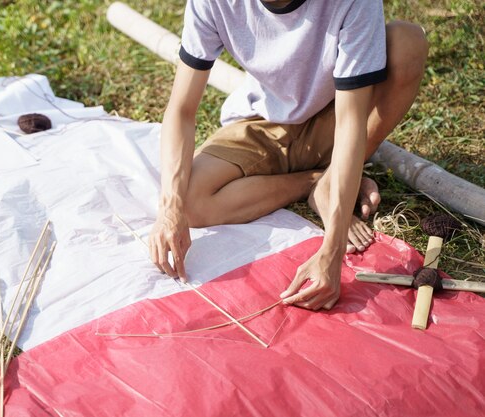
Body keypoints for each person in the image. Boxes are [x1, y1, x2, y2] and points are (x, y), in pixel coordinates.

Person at [149, 0, 428, 310]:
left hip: (337, 114)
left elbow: (350, 122)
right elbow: (182, 110)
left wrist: (332, 251)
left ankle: (335, 176)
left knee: (407, 42)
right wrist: (170, 208)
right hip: (261, 120)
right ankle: (316, 181)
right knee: (191, 201)